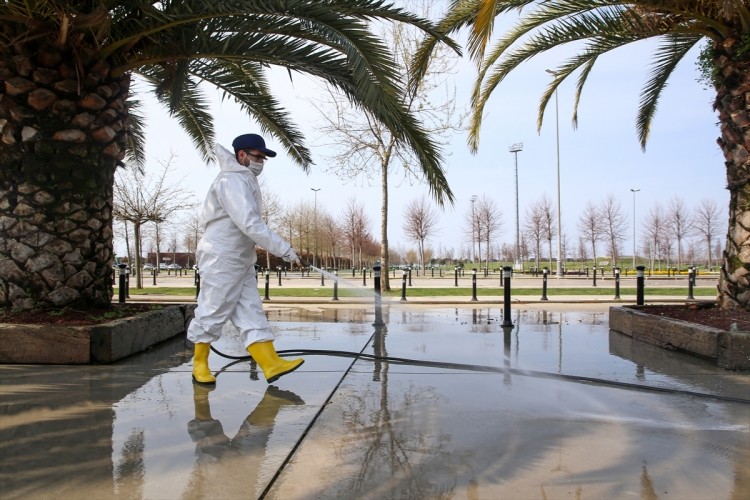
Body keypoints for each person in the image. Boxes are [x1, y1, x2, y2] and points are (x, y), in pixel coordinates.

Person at [187, 133, 304, 385]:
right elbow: (249, 223)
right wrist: (284, 249)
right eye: (257, 156)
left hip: (240, 258)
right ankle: (200, 364)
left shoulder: (244, 179)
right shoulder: (230, 181)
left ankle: (270, 363)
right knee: (213, 308)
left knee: (251, 309)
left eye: (263, 158)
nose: (261, 161)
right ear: (241, 155)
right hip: (222, 256)